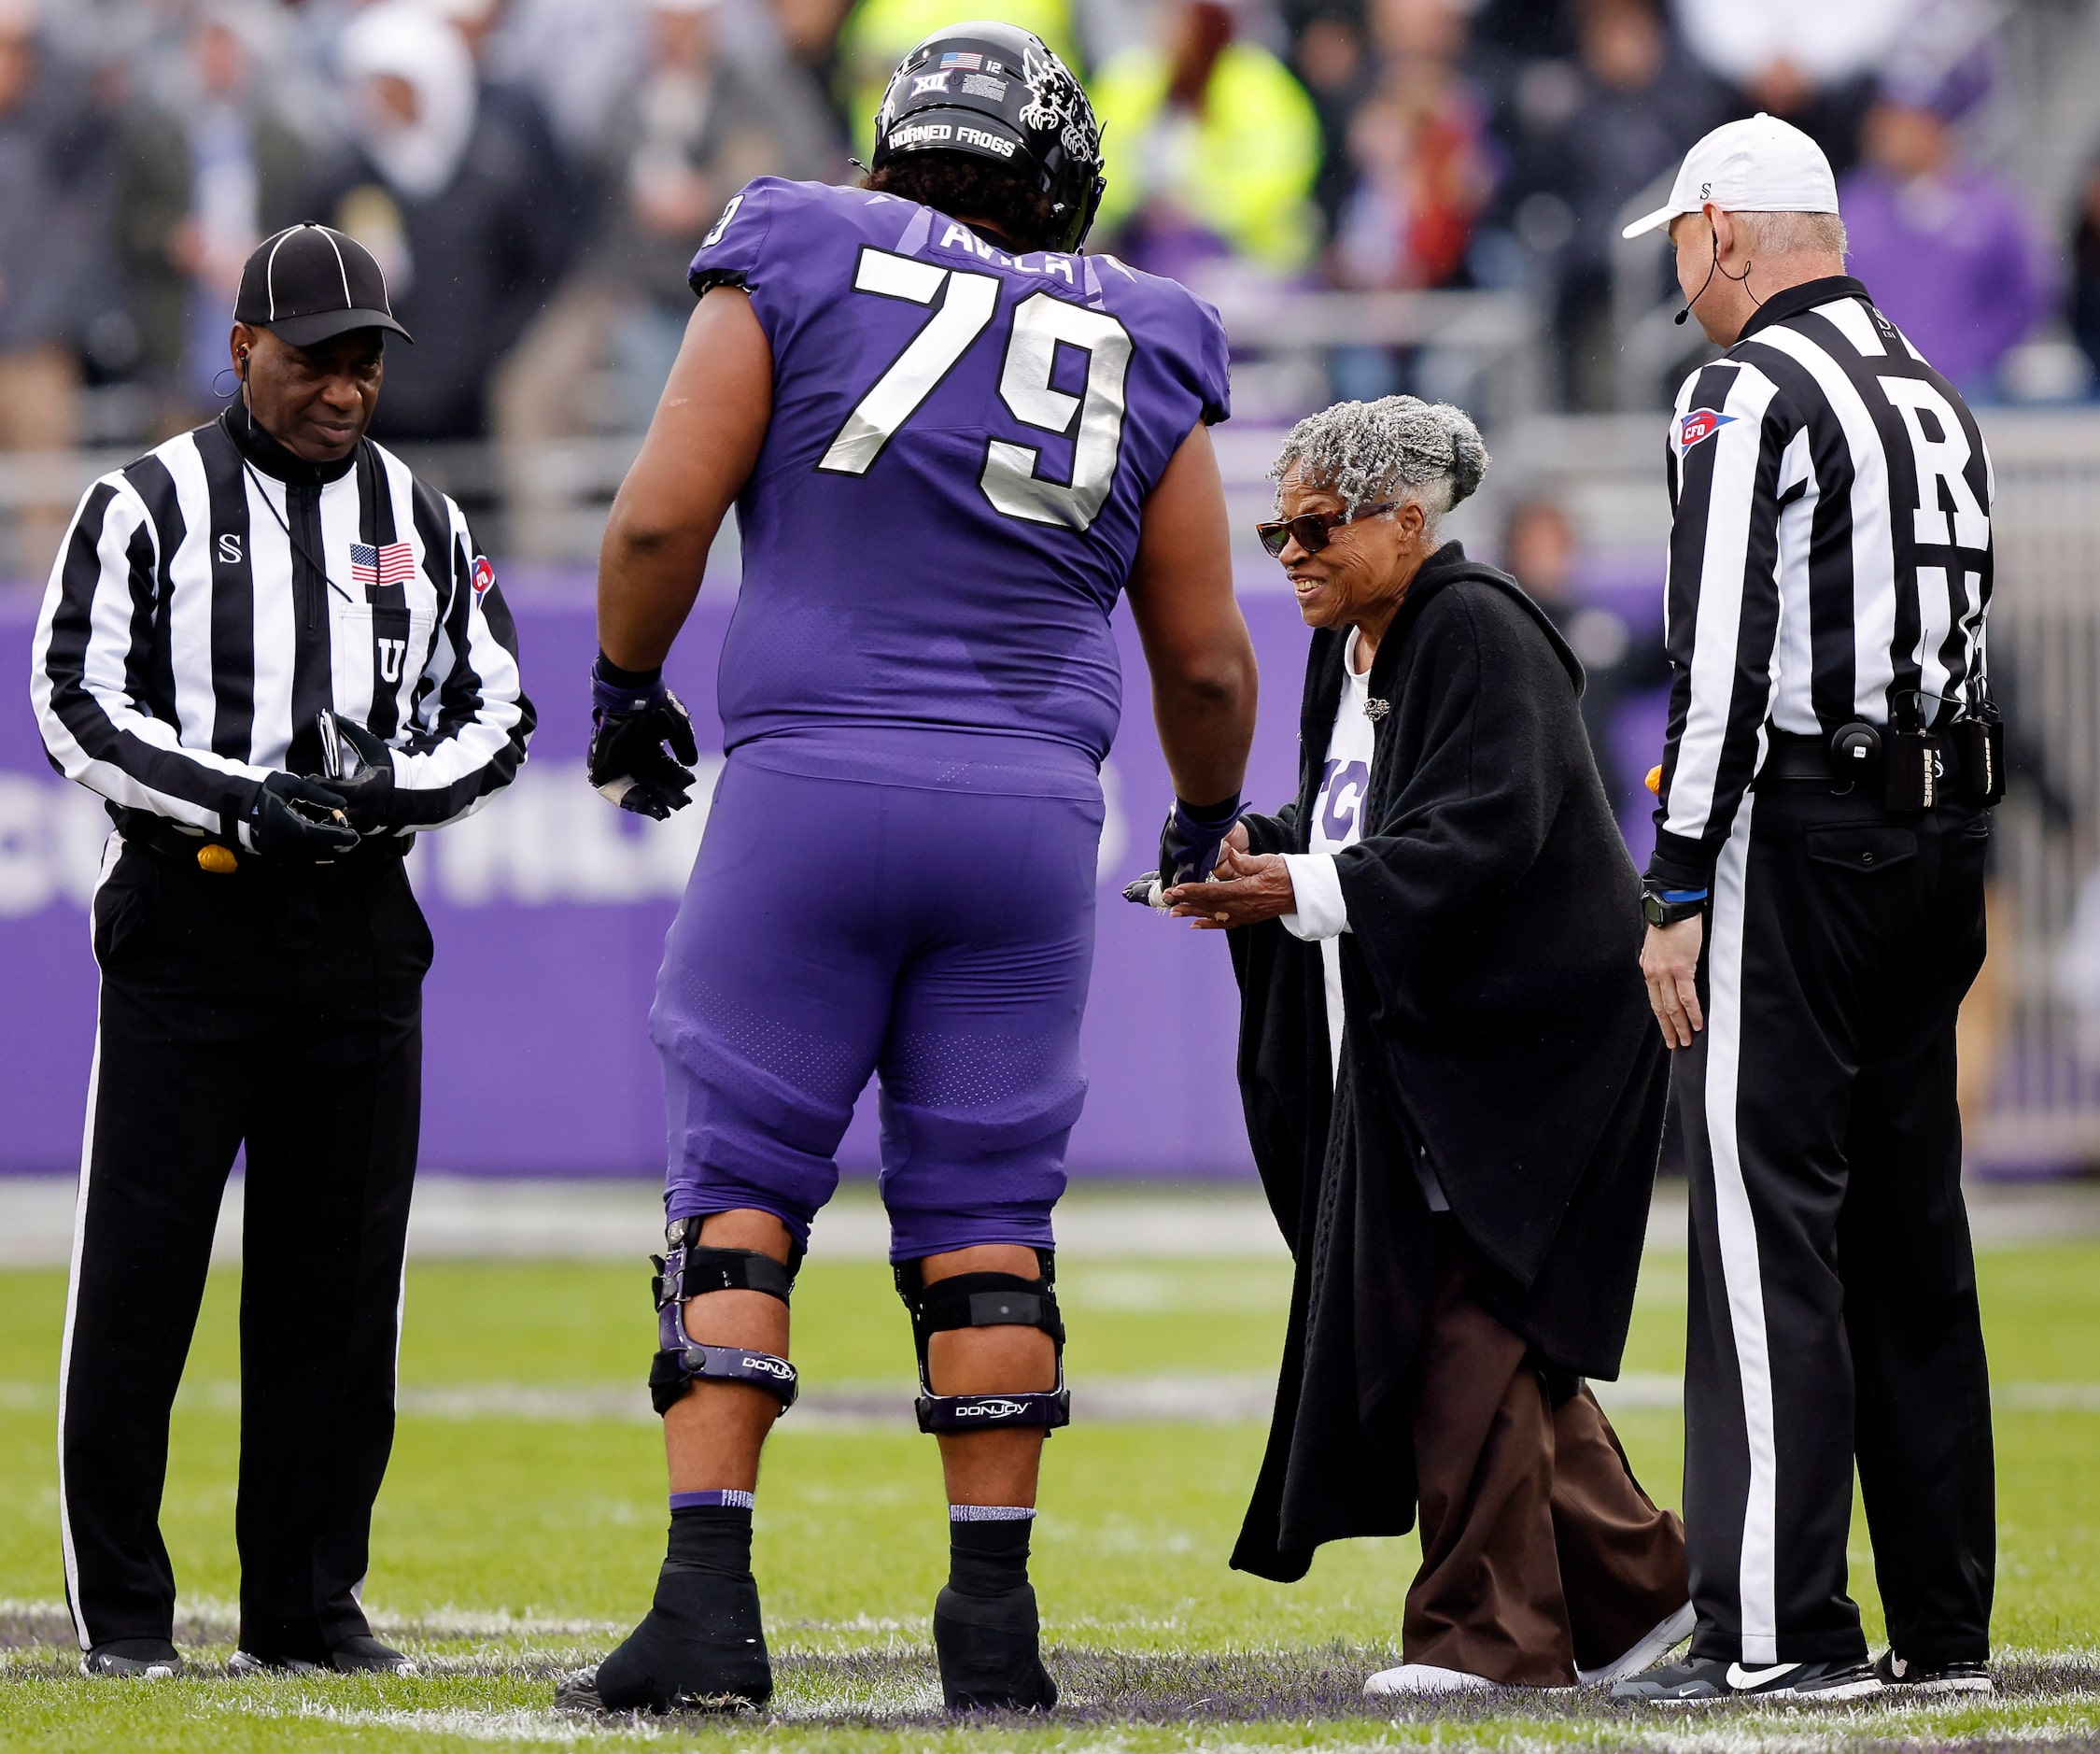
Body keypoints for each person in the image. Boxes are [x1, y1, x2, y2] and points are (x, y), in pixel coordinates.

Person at [565, 21, 1258, 1717]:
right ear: (1056, 186)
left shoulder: (794, 236)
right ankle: (990, 1627)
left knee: (737, 1183)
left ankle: (707, 1602)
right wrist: (1198, 813)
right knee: (990, 1221)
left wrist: (626, 683)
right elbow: (1210, 663)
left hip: (806, 786)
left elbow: (658, 517)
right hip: (1028, 813)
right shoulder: (1144, 326)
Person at [30, 223, 532, 1679]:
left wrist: (382, 797)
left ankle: (307, 1604)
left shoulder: (424, 519)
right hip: (192, 922)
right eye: (315, 358)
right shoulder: (142, 506)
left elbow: (495, 706)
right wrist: (241, 803)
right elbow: (75, 701)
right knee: (141, 1279)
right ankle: (125, 1614)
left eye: (365, 361)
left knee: (337, 1287)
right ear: (243, 344)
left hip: (362, 929)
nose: (343, 388)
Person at [1154, 396, 1689, 1698]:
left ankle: (1488, 1637)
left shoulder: (1476, 626)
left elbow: (1486, 833)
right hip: (1437, 1039)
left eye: (1316, 525)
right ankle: (1644, 1597)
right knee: (1481, 1318)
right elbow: (1361, 823)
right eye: (1275, 528)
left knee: (1459, 1317)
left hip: (1530, 1038)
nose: (1289, 552)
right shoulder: (1356, 647)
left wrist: (1294, 887)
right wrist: (1259, 848)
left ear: (1407, 520)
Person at [1614, 112, 1999, 1704]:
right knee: (1910, 1232)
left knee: (1764, 1228)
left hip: (1804, 832)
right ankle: (1943, 1622)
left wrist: (1674, 883)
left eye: (1684, 249)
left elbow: (1714, 658)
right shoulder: (1931, 390)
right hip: (1936, 835)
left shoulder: (1744, 387)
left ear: (1718, 234)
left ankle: (1772, 1626)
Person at [306, 0, 569, 441]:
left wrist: (491, 345)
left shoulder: (493, 174)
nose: (379, 102)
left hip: (470, 392)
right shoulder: (341, 180)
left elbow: (539, 265)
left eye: (394, 87)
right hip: (373, 394)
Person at [1839, 57, 2044, 398]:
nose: (1892, 133)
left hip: (1967, 390)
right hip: (1868, 388)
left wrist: (1971, 356)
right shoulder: (1849, 206)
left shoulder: (1991, 207)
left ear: (1938, 125)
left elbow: (2025, 296)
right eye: (1887, 118)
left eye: (1907, 120)